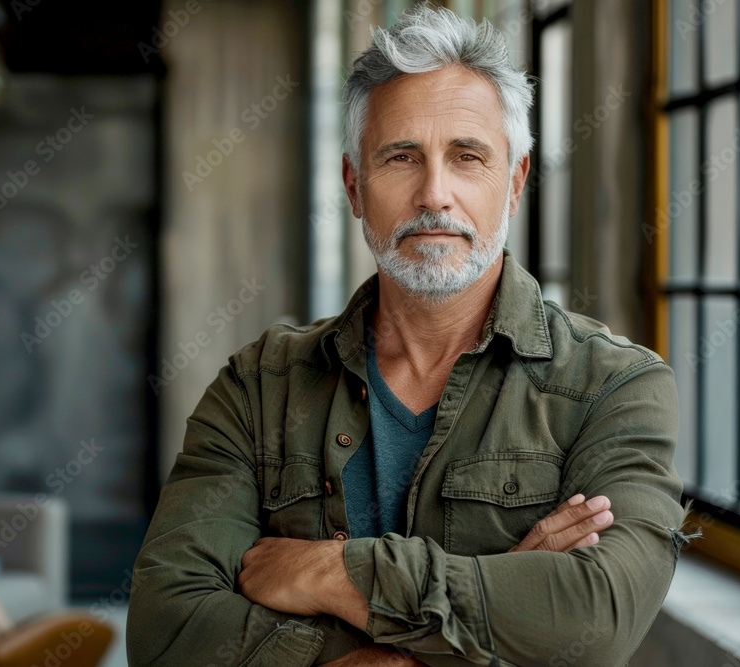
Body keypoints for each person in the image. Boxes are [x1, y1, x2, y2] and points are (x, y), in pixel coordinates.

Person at [127, 5, 685, 665]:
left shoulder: (614, 388)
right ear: (354, 185)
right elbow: (165, 631)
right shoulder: (257, 388)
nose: (434, 193)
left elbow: (596, 620)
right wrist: (488, 609)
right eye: (401, 156)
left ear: (515, 183)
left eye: (467, 156)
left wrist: (331, 575)